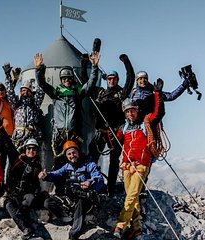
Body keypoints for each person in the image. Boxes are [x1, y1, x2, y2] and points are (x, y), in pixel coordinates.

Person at [36, 52, 100, 182]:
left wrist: (94, 67)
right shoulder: (56, 92)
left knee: (78, 160)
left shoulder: (78, 91)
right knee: (59, 162)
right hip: (59, 134)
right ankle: (60, 191)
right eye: (64, 78)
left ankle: (80, 185)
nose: (66, 80)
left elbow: (91, 83)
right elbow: (42, 84)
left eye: (69, 78)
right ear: (61, 80)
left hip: (74, 133)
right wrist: (39, 69)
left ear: (72, 78)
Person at [113, 80, 164, 239]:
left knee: (130, 196)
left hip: (141, 165)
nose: (130, 114)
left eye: (132, 110)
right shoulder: (125, 127)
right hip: (127, 166)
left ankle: (119, 226)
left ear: (137, 110)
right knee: (133, 199)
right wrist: (110, 132)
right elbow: (115, 142)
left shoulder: (145, 122)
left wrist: (157, 94)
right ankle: (136, 228)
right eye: (127, 111)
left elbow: (158, 113)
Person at [88, 53, 135, 197]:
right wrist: (88, 65)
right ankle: (94, 182)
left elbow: (131, 79)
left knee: (114, 160)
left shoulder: (121, 93)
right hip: (101, 130)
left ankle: (111, 187)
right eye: (109, 78)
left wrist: (126, 62)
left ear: (117, 79)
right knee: (93, 157)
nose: (111, 80)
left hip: (116, 131)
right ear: (107, 80)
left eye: (114, 78)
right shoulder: (100, 93)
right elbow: (88, 84)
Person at [38, 141, 104, 240]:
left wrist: (90, 182)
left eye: (74, 152)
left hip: (87, 200)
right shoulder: (67, 166)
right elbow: (56, 174)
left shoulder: (89, 164)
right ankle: (71, 219)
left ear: (78, 152)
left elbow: (99, 179)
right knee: (48, 202)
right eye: (69, 154)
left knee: (80, 201)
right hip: (71, 198)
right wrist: (46, 175)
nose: (72, 155)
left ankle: (75, 231)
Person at [4, 60, 45, 149]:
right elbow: (10, 92)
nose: (25, 92)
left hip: (32, 136)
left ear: (31, 92)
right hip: (18, 137)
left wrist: (39, 70)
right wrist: (8, 76)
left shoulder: (35, 104)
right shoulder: (17, 104)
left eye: (27, 91)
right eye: (23, 90)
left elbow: (41, 89)